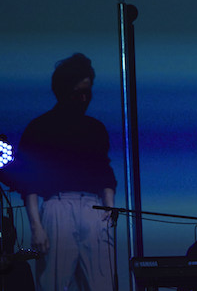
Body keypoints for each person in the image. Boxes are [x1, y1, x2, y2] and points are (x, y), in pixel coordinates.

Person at [15, 53, 117, 291]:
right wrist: (36, 227)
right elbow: (29, 183)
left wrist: (109, 208)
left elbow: (104, 171)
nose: (84, 99)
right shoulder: (40, 127)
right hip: (58, 206)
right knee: (54, 281)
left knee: (101, 281)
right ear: (64, 91)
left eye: (87, 93)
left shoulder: (95, 129)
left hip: (93, 208)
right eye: (78, 93)